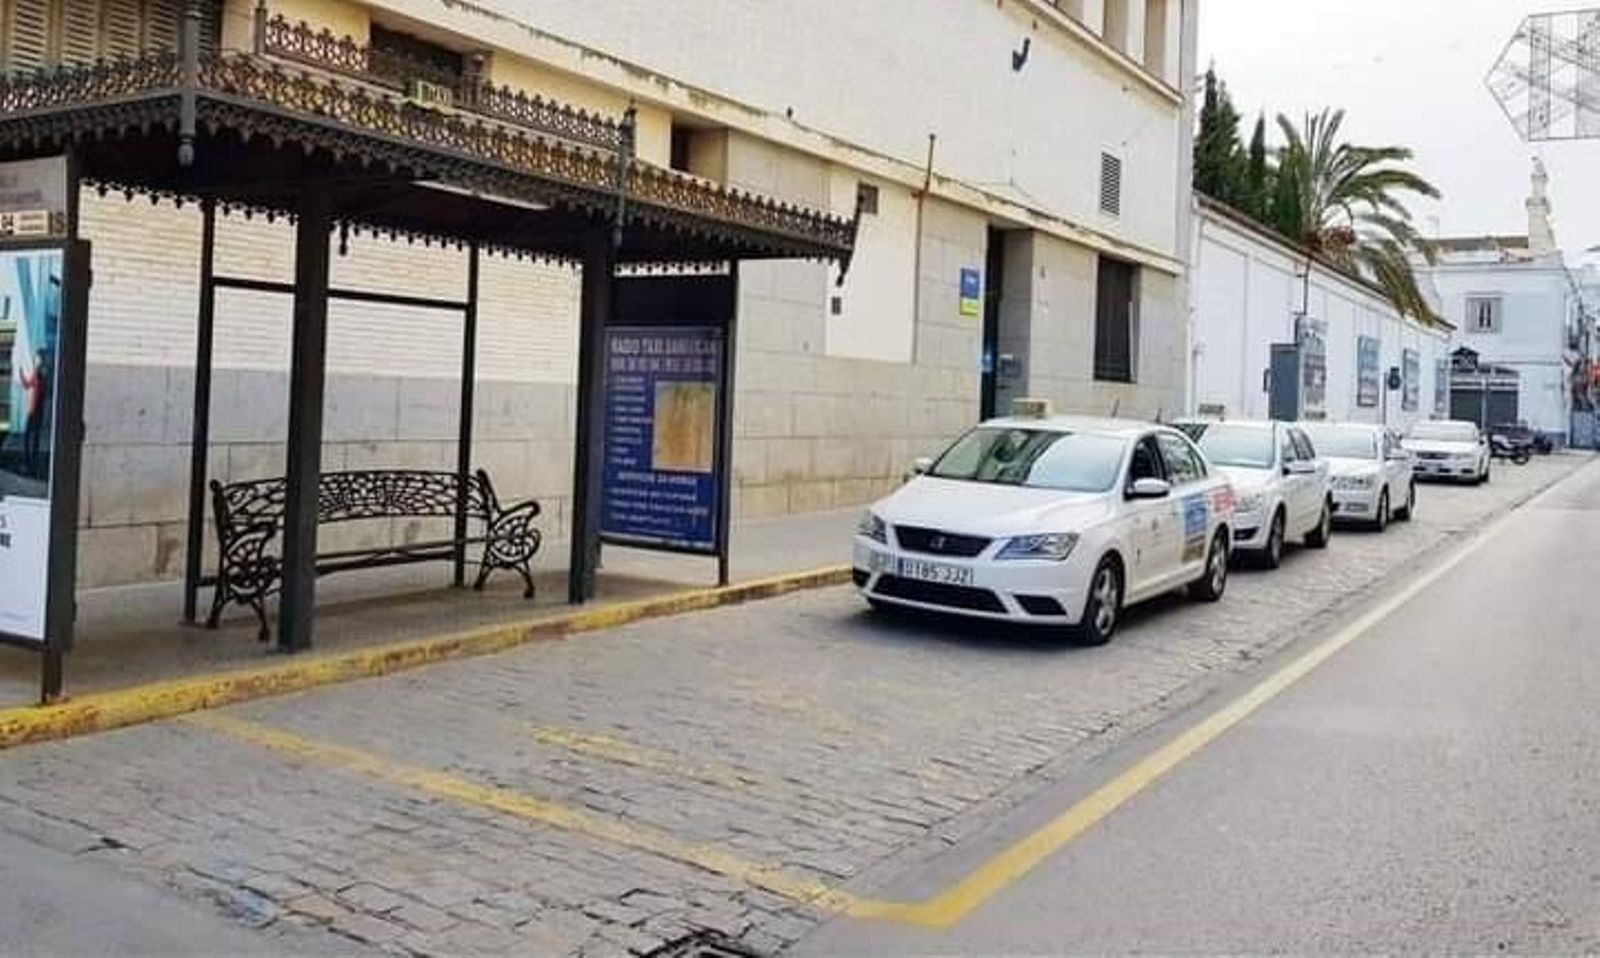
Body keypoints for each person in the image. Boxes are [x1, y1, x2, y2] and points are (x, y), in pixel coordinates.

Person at [20, 348, 48, 478]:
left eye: (37, 358)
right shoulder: (38, 373)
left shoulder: (41, 374)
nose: (35, 359)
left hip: (36, 411)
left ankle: (32, 465)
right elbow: (27, 385)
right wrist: (21, 373)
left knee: (31, 437)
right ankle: (31, 464)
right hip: (34, 410)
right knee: (30, 437)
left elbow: (40, 392)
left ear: (40, 359)